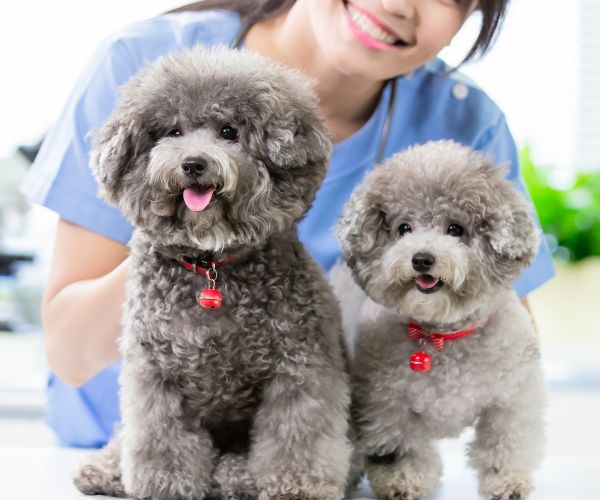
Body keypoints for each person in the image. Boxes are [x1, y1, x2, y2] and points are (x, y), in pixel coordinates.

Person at [21, 0, 554, 448]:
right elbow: (68, 354)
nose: (396, 4)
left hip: (311, 459)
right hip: (118, 454)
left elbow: (507, 353)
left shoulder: (462, 121)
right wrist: (195, 243)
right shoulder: (141, 63)